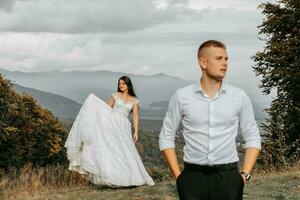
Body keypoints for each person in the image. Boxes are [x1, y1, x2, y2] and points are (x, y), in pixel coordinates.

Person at [159, 40, 261, 199]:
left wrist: (244, 175)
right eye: (219, 59)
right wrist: (179, 178)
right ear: (203, 62)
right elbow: (166, 136)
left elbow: (253, 136)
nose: (225, 63)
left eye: (226, 59)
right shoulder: (182, 96)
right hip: (192, 178)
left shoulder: (239, 96)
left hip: (228, 178)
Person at [65, 76, 154, 187]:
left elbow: (135, 117)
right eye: (120, 83)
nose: (121, 85)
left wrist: (136, 132)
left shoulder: (134, 100)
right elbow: (106, 109)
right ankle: (112, 177)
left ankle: (129, 178)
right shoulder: (115, 96)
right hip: (111, 124)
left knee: (125, 151)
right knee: (111, 149)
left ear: (128, 85)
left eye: (123, 83)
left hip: (123, 127)